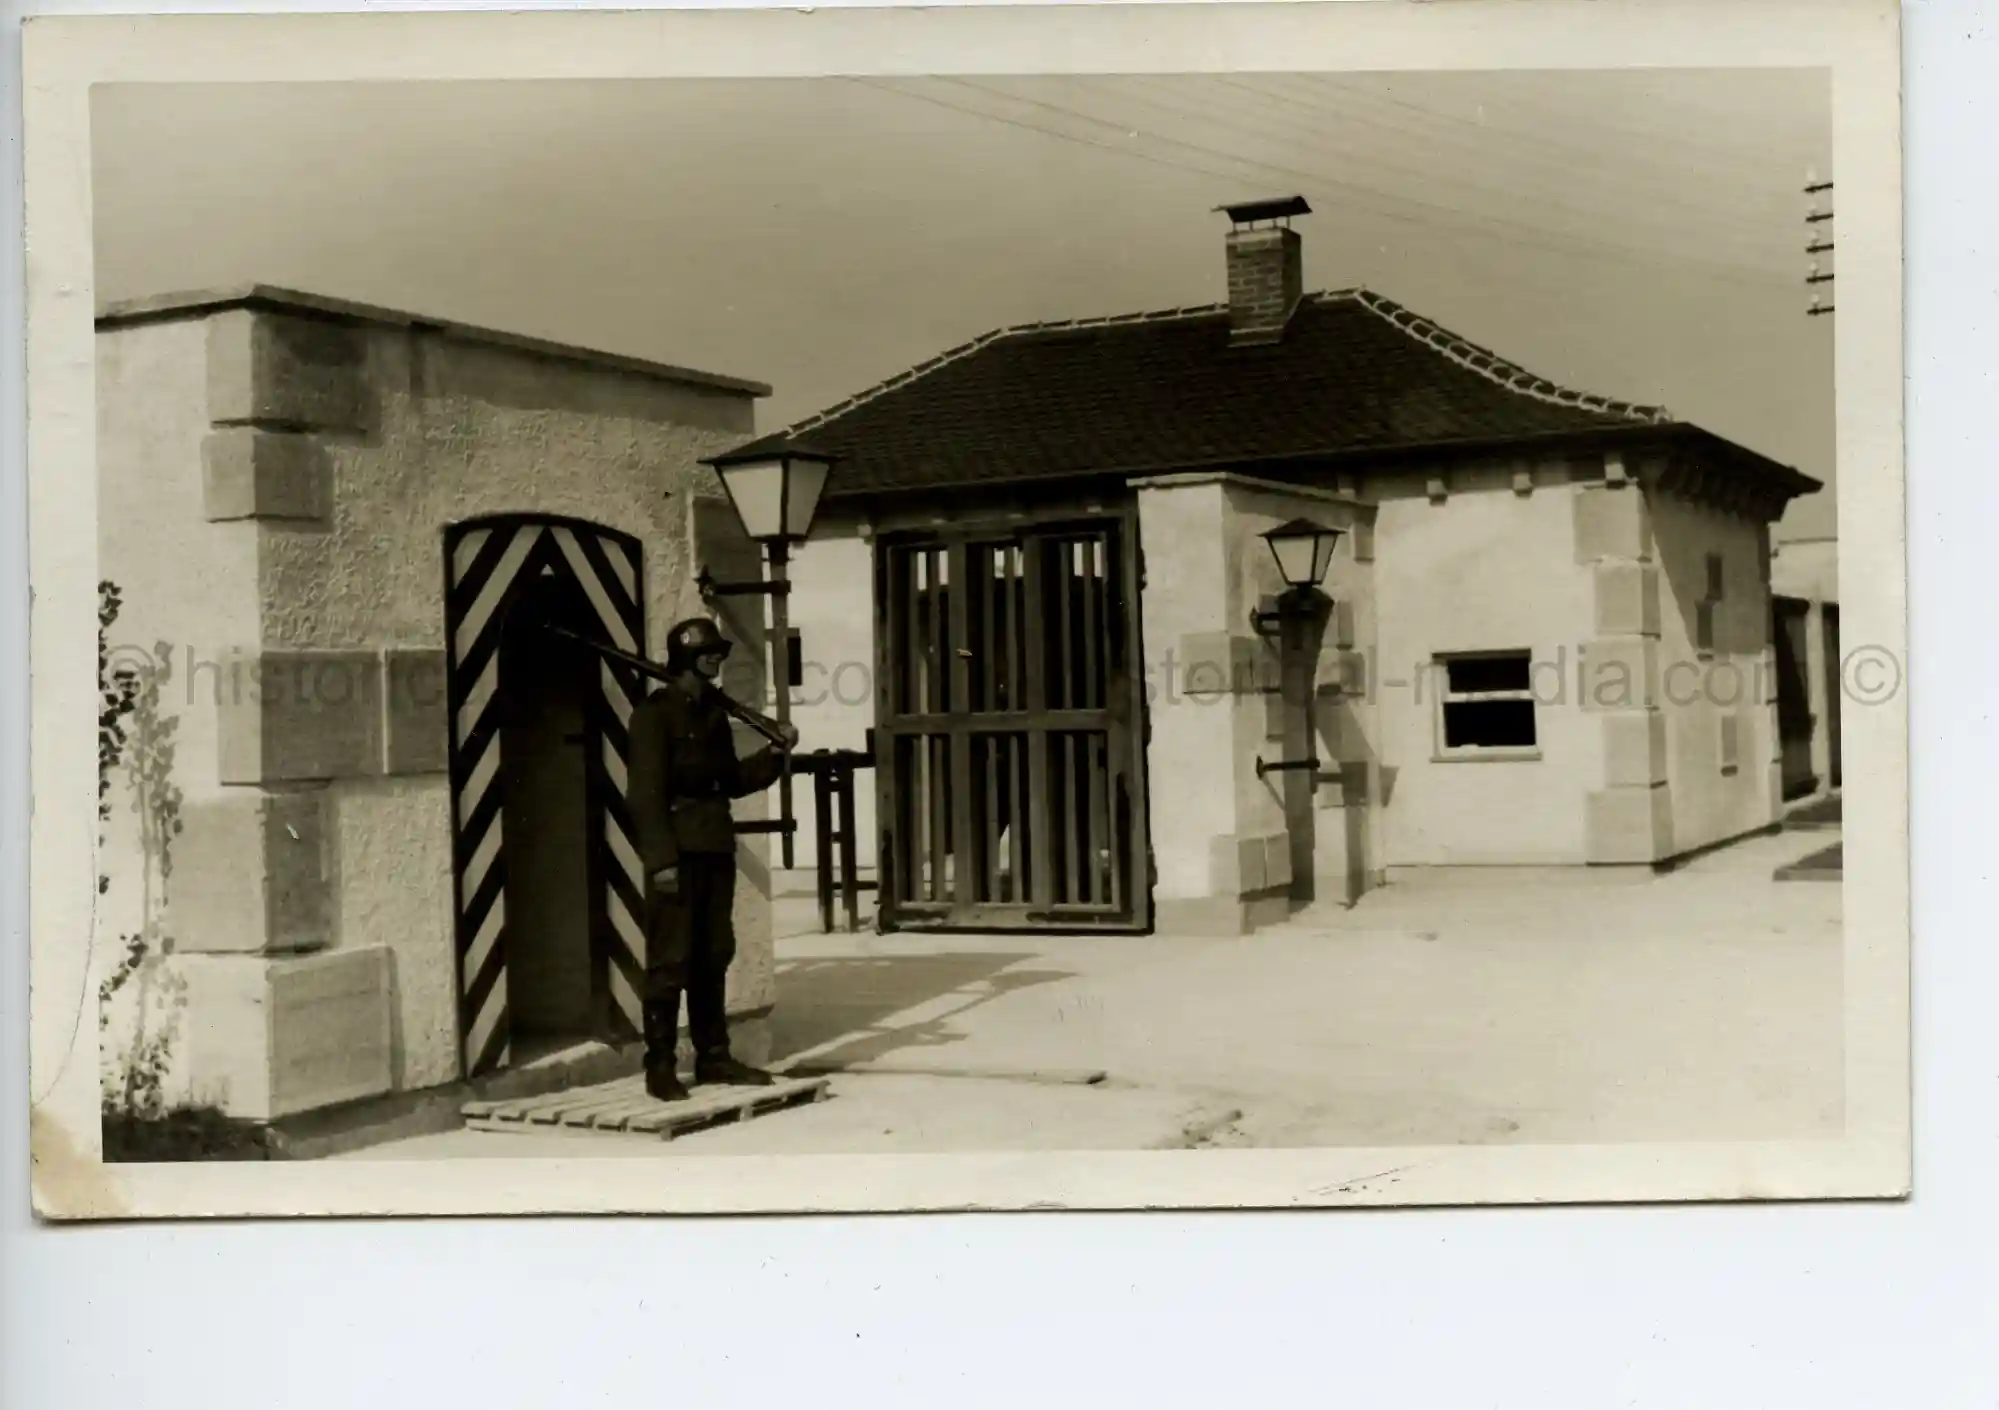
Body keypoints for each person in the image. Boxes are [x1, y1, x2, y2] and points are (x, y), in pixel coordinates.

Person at [626, 616, 799, 1101]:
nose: (716, 659)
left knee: (713, 954)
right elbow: (645, 795)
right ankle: (659, 1065)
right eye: (707, 652)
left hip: (713, 848)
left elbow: (731, 780)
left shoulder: (712, 717)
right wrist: (661, 862)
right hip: (676, 856)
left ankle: (713, 1057)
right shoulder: (653, 717)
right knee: (670, 959)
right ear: (684, 658)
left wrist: (774, 753)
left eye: (718, 652)